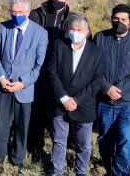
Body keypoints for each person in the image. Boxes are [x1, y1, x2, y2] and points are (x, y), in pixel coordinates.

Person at [0, 0, 48, 171]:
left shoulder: (40, 33)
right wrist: (1, 77)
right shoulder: (2, 28)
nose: (16, 15)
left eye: (20, 12)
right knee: (1, 123)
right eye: (13, 12)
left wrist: (23, 83)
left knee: (22, 126)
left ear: (28, 12)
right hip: (4, 85)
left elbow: (40, 65)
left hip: (25, 89)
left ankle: (17, 158)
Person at [45, 14, 106, 176]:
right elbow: (52, 72)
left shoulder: (97, 52)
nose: (75, 32)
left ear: (87, 32)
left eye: (79, 29)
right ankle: (57, 170)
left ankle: (81, 172)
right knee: (59, 141)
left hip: (84, 105)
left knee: (83, 144)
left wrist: (77, 100)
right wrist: (64, 98)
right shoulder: (59, 46)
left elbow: (97, 81)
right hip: (60, 103)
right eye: (72, 29)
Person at [94, 4, 130, 176]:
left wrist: (118, 89)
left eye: (123, 20)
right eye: (116, 19)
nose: (119, 22)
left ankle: (121, 173)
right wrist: (106, 87)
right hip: (105, 102)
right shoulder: (100, 38)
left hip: (129, 104)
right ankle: (110, 170)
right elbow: (92, 66)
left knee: (126, 143)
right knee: (105, 141)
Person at [28, 0, 72, 157]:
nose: (57, 1)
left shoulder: (72, 19)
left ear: (66, 0)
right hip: (37, 69)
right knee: (35, 110)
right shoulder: (36, 14)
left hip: (59, 73)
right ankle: (34, 146)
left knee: (57, 111)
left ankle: (60, 149)